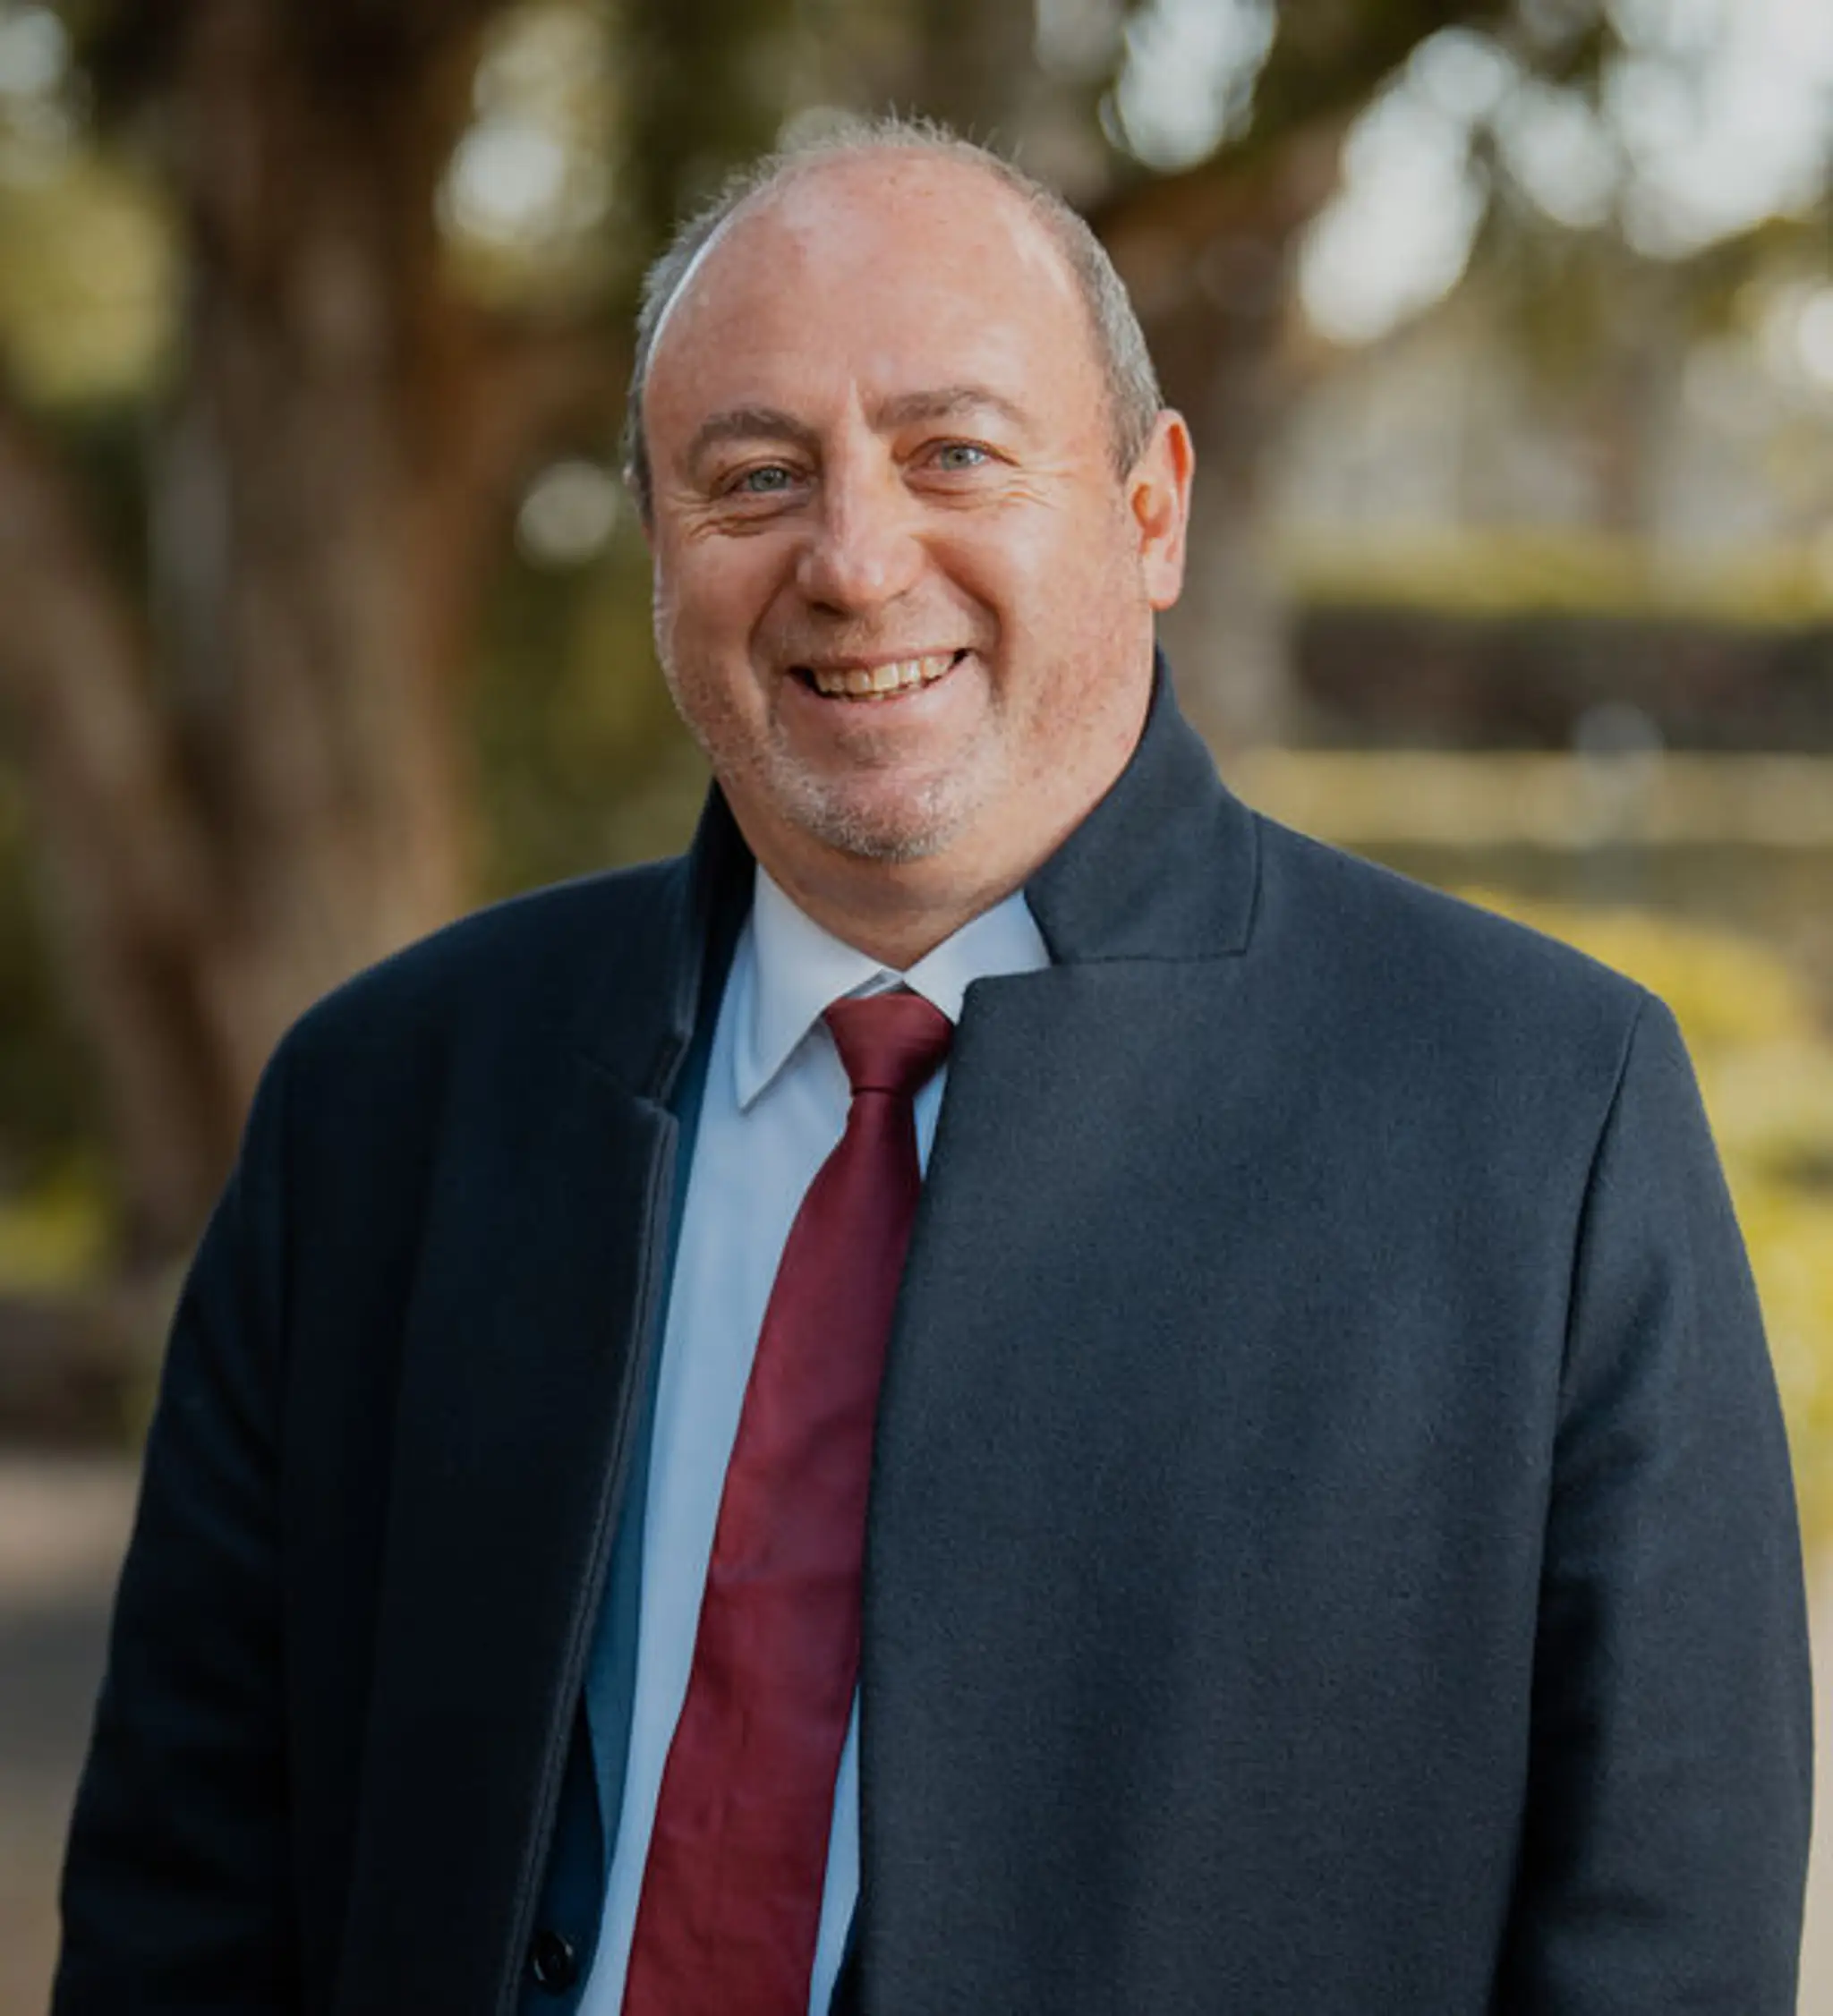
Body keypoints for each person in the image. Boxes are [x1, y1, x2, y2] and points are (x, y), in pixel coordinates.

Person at [54, 117, 1810, 2016]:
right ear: (659, 550)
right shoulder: (384, 1110)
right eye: (753, 477)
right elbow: (183, 1912)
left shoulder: (1544, 1121)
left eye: (952, 451)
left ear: (1150, 512)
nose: (854, 557)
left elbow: (1661, 1944)